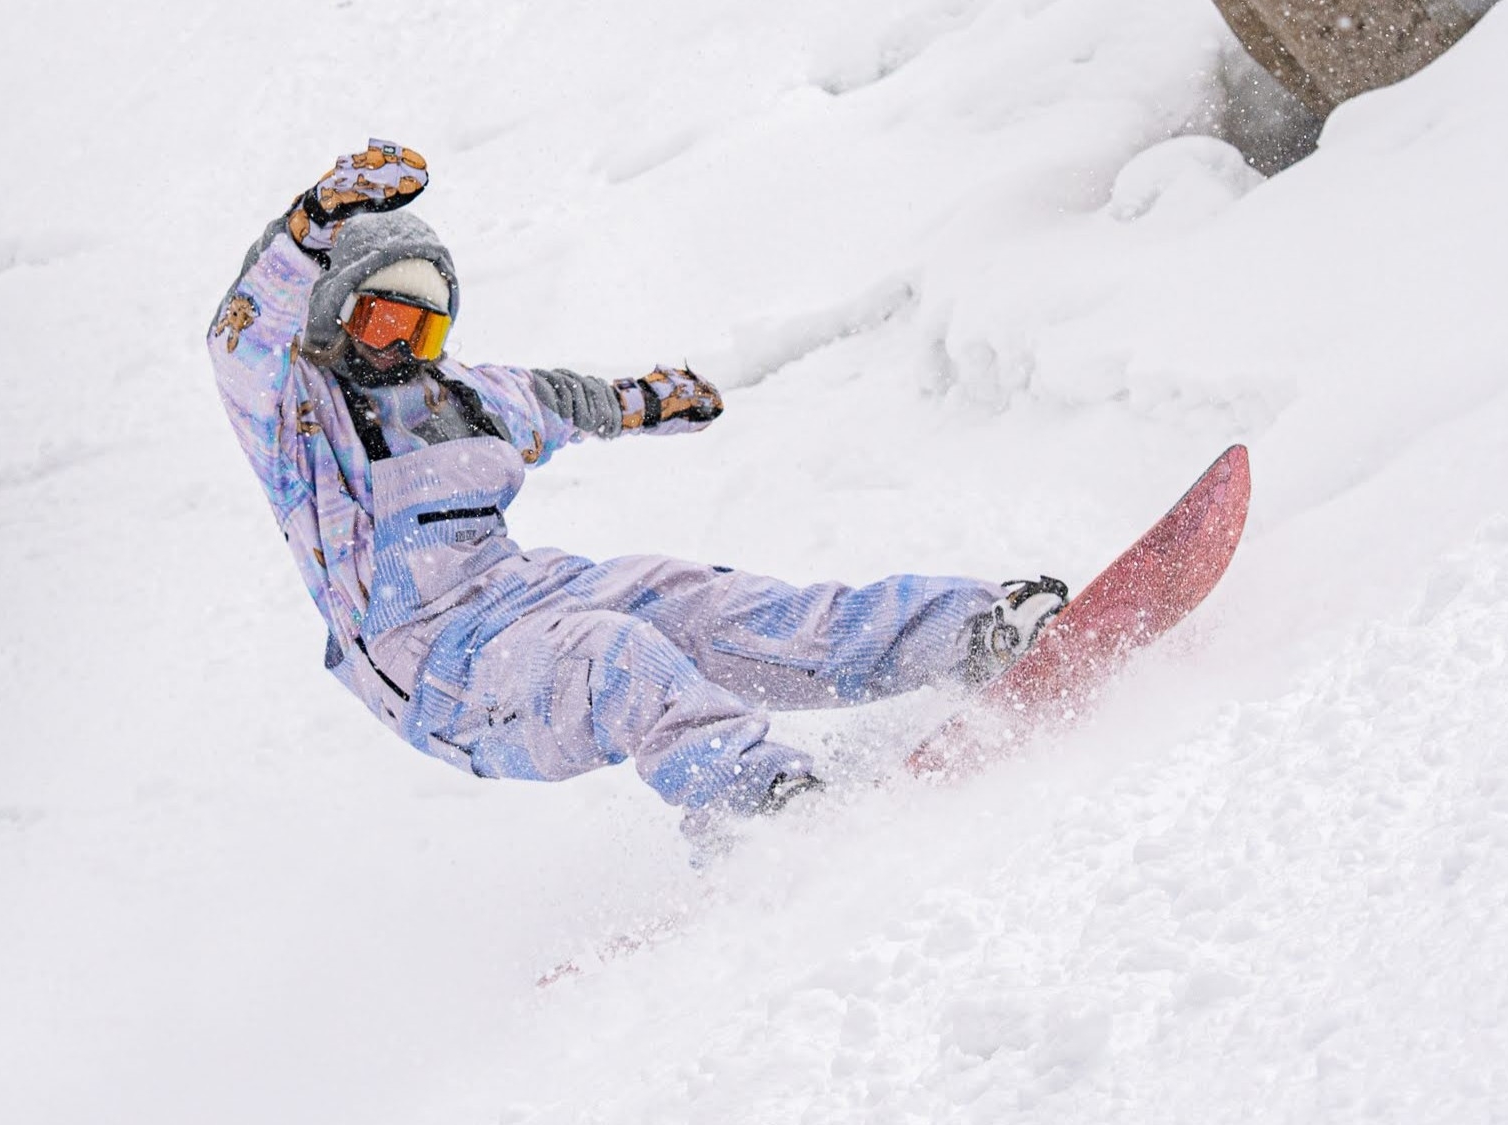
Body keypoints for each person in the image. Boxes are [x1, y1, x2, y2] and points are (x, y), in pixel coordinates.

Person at [206, 139, 1067, 844]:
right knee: (613, 654)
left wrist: (653, 401)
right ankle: (756, 806)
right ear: (331, 312)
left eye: (423, 326)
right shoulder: (299, 420)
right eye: (381, 320)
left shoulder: (463, 397)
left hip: (526, 592)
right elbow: (238, 334)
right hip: (435, 664)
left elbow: (563, 401)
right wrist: (311, 223)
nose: (402, 346)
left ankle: (972, 632)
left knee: (693, 599)